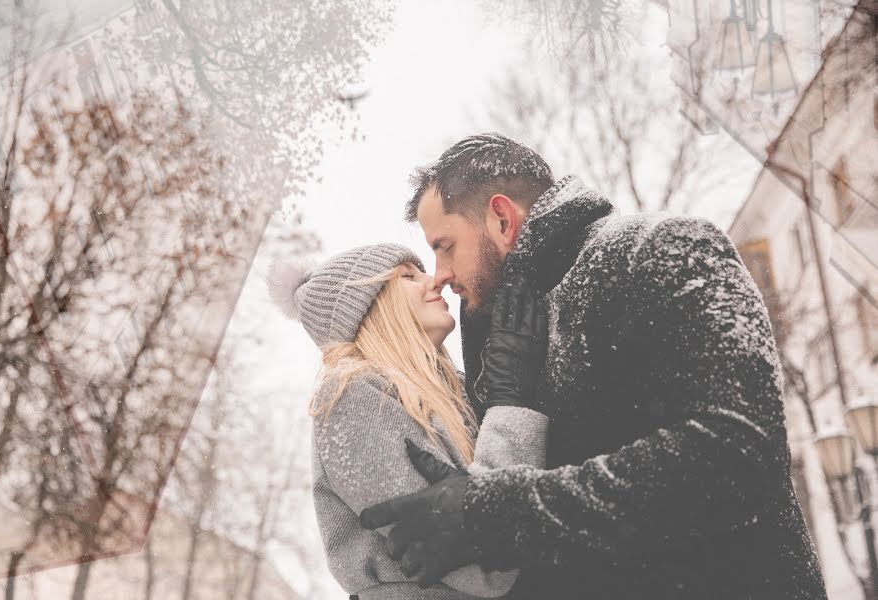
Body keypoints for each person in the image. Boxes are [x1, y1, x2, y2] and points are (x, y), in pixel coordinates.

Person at [359, 133, 829, 599]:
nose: (438, 273)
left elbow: (739, 454)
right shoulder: (497, 338)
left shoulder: (662, 248)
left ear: (502, 218)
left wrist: (496, 513)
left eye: (444, 246)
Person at [267, 242, 550, 600]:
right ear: (371, 307)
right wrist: (510, 404)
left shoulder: (451, 394)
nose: (434, 281)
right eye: (407, 276)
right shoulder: (352, 397)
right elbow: (486, 569)